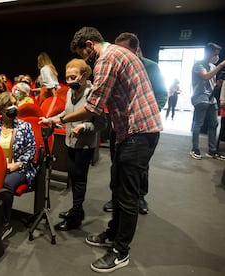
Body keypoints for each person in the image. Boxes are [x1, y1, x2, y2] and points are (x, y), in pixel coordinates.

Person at [54, 26, 162, 273]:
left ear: (90, 45)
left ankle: (120, 251)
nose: (84, 60)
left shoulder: (107, 58)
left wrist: (59, 120)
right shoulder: (116, 54)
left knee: (127, 195)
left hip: (138, 131)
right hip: (130, 131)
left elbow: (93, 109)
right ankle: (113, 232)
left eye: (83, 53)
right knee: (117, 186)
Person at [102, 32, 169, 214]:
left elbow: (162, 94)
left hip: (140, 128)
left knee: (139, 167)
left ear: (136, 49)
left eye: (124, 50)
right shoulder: (116, 64)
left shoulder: (150, 67)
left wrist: (150, 113)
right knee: (116, 163)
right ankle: (115, 197)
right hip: (120, 125)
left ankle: (139, 196)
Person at [40, 58, 107, 231]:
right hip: (70, 143)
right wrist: (52, 119)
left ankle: (76, 217)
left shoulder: (93, 94)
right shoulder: (70, 92)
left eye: (73, 77)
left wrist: (84, 126)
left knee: (79, 180)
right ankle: (77, 210)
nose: (70, 81)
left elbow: (101, 124)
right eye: (67, 77)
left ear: (84, 75)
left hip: (84, 145)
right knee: (73, 176)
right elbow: (67, 112)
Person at [0, 92, 36, 240]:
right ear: (1, 109)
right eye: (9, 105)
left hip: (20, 168)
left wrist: (17, 164)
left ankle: (5, 224)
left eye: (14, 104)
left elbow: (31, 150)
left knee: (6, 184)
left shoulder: (24, 126)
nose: (13, 107)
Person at [190, 42, 225, 160]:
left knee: (214, 124)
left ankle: (212, 150)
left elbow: (211, 82)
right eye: (216, 53)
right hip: (200, 98)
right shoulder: (198, 65)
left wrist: (218, 84)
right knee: (198, 124)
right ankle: (195, 149)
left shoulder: (213, 66)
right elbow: (205, 76)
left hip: (211, 99)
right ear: (209, 52)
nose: (217, 56)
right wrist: (221, 65)